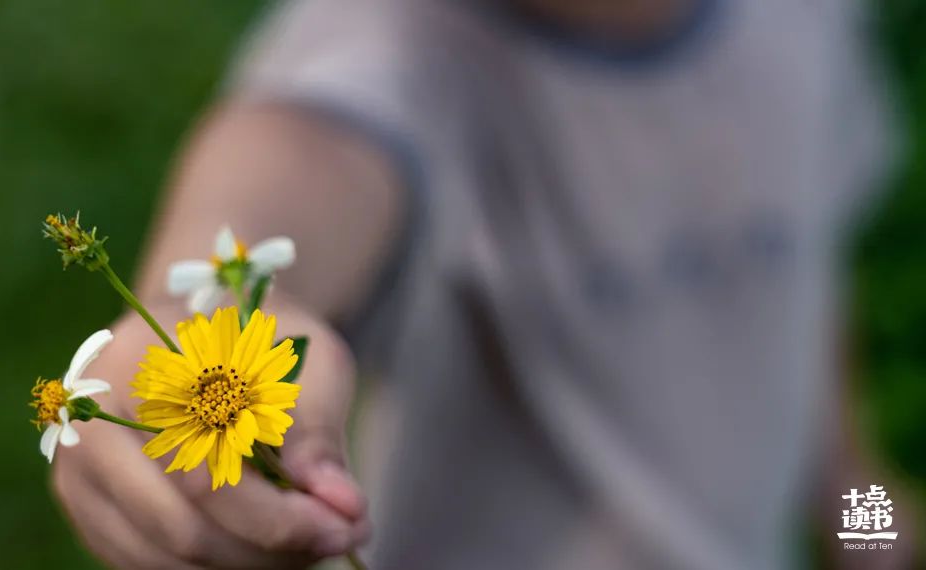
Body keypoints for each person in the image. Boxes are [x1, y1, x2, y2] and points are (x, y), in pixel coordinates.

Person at [52, 0, 907, 568]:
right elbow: (295, 157)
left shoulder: (806, 19)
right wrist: (180, 314)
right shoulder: (398, 47)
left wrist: (856, 502)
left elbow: (799, 279)